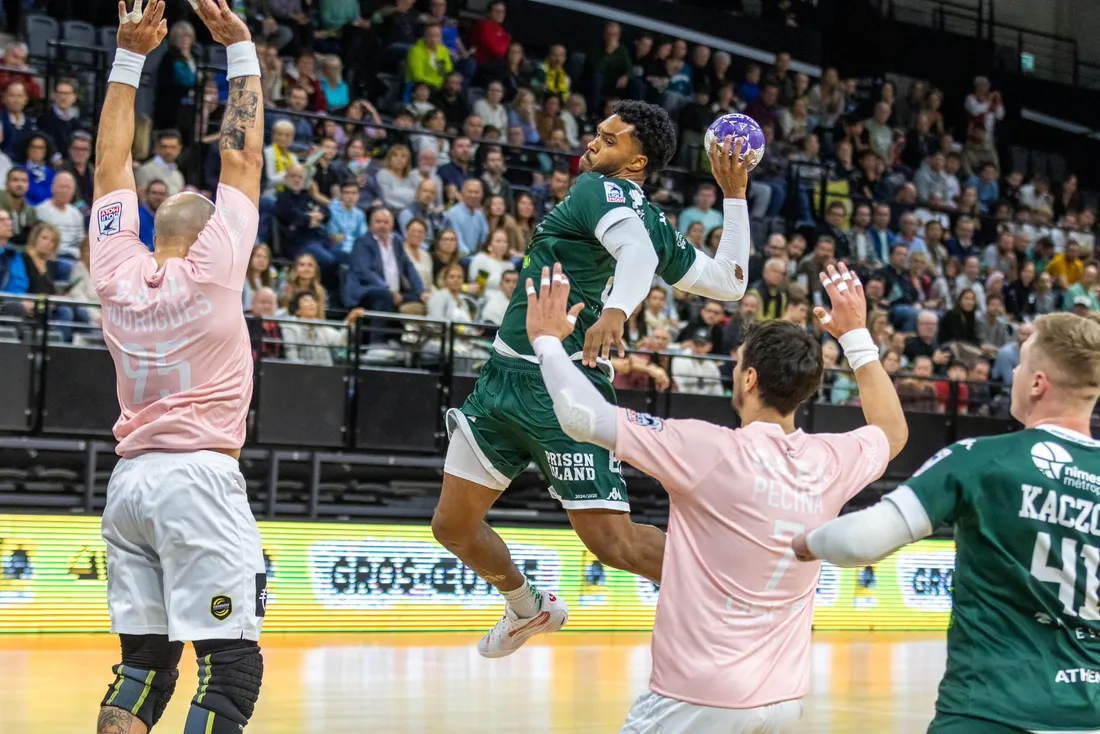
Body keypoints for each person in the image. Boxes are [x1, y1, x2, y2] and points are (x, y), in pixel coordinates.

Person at [522, 260, 906, 733]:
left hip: (695, 701)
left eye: (740, 361)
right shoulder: (830, 461)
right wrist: (855, 336)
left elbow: (582, 417)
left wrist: (543, 339)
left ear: (749, 379)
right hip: (782, 703)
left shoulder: (709, 449)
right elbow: (891, 430)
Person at [431, 100, 752, 658]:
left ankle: (734, 592)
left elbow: (636, 256)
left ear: (636, 162)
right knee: (453, 526)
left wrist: (616, 312)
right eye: (597, 133)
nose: (594, 143)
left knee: (614, 544)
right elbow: (730, 280)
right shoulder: (642, 215)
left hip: (562, 388)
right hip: (506, 376)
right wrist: (736, 198)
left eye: (610, 138)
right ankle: (530, 608)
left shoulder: (597, 190)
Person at [89, 4, 266, 734]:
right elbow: (242, 157)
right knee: (230, 675)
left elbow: (108, 165)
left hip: (129, 483)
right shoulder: (217, 272)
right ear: (208, 237)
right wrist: (243, 51)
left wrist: (129, 57)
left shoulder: (114, 270)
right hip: (198, 480)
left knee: (144, 671)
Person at [796, 312, 1100, 734]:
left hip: (990, 710)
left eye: (1022, 363)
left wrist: (807, 541)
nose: (1012, 371)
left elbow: (862, 541)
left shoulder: (980, 460)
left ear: (1037, 383)